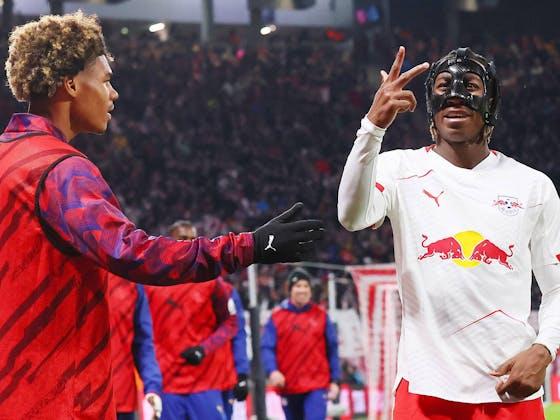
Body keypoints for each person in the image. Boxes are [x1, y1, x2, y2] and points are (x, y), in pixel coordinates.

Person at [0, 12, 324, 418]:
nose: (113, 94)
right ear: (71, 84)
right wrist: (251, 246)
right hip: (53, 398)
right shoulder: (61, 170)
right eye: (105, 80)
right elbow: (137, 255)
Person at [338, 46, 560, 419]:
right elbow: (350, 215)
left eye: (470, 85)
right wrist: (372, 127)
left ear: (491, 104)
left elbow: (556, 287)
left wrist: (544, 348)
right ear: (431, 105)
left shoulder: (532, 186)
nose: (455, 95)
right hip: (425, 391)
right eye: (443, 86)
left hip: (510, 391)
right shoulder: (399, 169)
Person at [145, 220, 243, 420]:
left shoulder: (211, 280)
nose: (189, 244)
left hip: (204, 382)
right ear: (169, 242)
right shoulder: (150, 282)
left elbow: (231, 323)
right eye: (182, 239)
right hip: (167, 382)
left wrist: (203, 349)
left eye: (193, 239)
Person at [261, 269, 341, 420]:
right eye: (298, 286)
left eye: (306, 286)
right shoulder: (277, 317)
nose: (302, 290)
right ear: (290, 289)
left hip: (316, 384)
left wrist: (335, 380)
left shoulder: (321, 316)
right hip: (288, 385)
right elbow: (267, 348)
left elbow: (332, 349)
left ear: (310, 290)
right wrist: (272, 371)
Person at [108, 273, 163, 420]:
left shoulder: (132, 283)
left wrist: (152, 387)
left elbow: (143, 343)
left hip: (121, 399)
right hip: (75, 402)